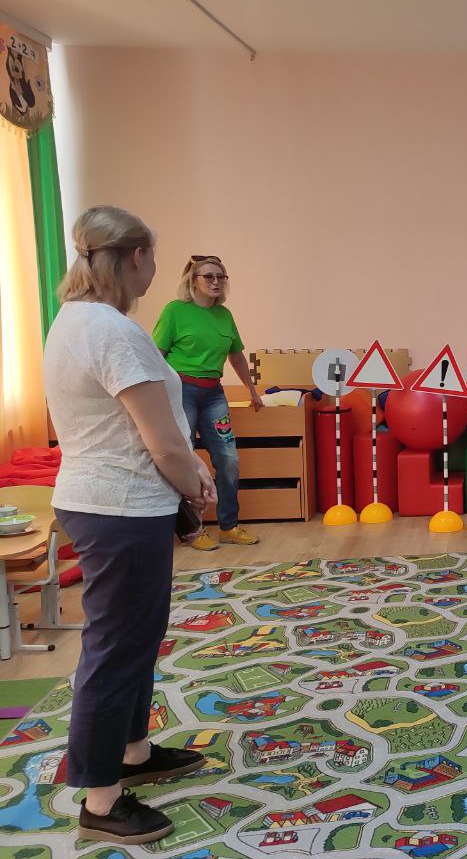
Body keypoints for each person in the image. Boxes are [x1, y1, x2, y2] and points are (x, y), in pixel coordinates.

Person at [45, 206, 216, 844]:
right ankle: (101, 800)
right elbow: (163, 441)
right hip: (119, 506)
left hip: (106, 500)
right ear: (137, 257)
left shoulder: (74, 320)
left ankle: (134, 753)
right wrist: (196, 485)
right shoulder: (113, 332)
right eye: (152, 258)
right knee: (117, 648)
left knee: (135, 637)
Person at [153, 256, 262, 551]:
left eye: (221, 277)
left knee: (229, 459)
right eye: (209, 277)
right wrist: (157, 396)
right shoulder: (175, 311)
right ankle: (193, 530)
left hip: (214, 393)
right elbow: (156, 355)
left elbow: (236, 356)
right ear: (193, 280)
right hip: (182, 391)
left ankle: (229, 526)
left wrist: (252, 391)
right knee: (184, 460)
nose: (216, 282)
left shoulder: (224, 315)